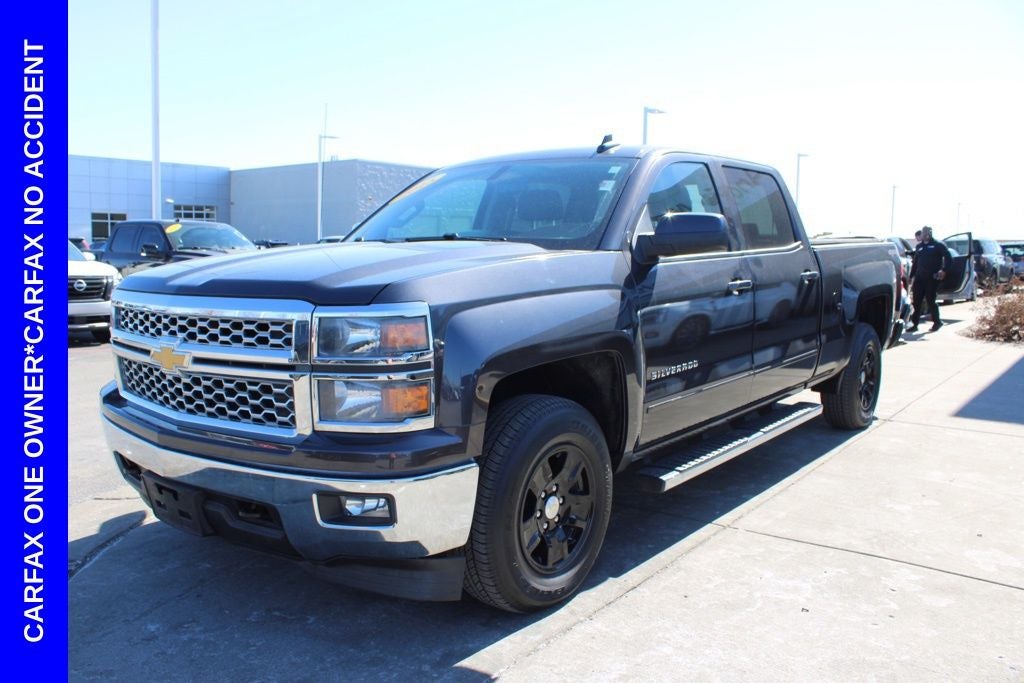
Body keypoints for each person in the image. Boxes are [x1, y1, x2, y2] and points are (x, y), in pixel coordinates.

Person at [908, 226, 951, 332]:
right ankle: (914, 324)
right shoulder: (919, 247)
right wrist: (911, 277)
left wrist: (943, 270)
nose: (925, 235)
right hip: (919, 278)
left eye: (927, 233)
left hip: (932, 278)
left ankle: (937, 322)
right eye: (923, 233)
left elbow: (949, 258)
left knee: (930, 300)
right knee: (916, 301)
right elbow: (915, 263)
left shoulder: (938, 245)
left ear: (930, 234)